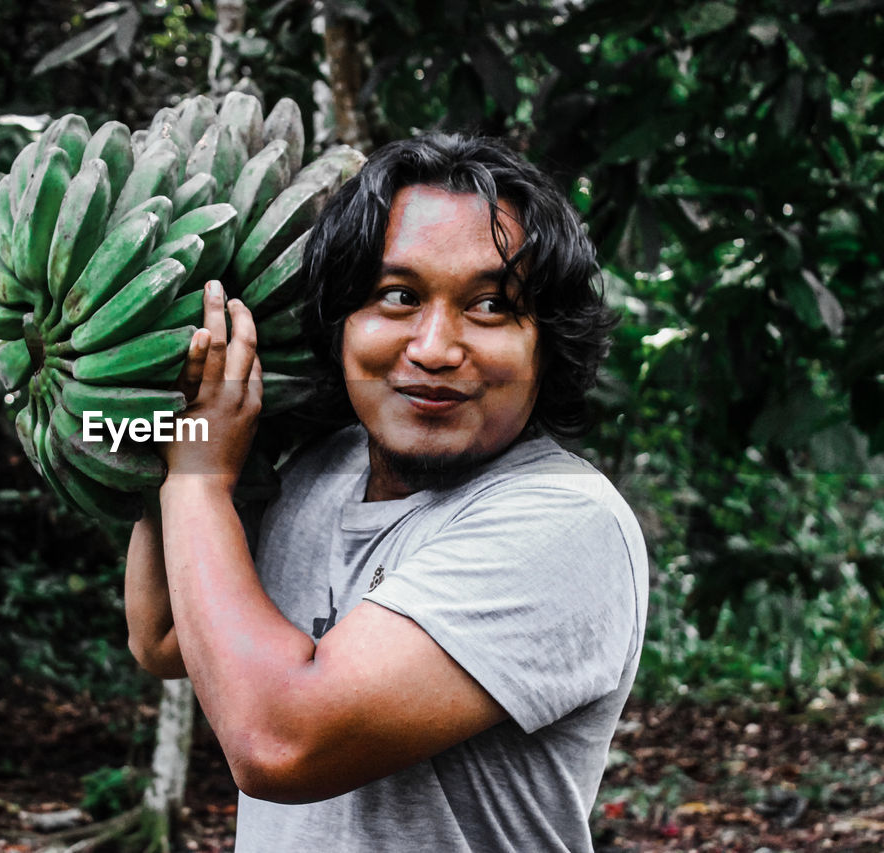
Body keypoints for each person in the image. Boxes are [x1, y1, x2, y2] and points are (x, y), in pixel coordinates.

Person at [124, 133, 649, 852]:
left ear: (546, 341)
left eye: (492, 304)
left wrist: (198, 473)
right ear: (341, 320)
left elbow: (279, 741)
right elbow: (164, 636)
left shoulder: (565, 525)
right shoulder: (316, 469)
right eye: (397, 295)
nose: (435, 347)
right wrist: (176, 411)